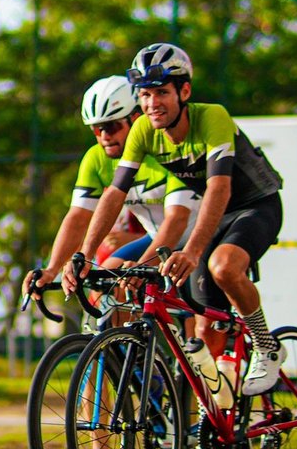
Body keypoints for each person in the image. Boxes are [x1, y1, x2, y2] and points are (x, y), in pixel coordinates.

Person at [61, 43, 285, 449]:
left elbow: (219, 189)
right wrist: (83, 256)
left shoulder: (212, 116)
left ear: (183, 91)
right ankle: (210, 433)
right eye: (143, 95)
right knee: (203, 329)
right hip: (213, 218)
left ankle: (267, 345)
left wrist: (193, 251)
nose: (151, 104)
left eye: (160, 92)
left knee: (222, 268)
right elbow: (114, 194)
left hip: (254, 206)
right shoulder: (145, 130)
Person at [24, 75, 199, 300]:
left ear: (136, 119)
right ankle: (121, 337)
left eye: (112, 126)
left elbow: (177, 220)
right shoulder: (96, 159)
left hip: (195, 238)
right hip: (155, 239)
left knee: (200, 326)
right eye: (97, 129)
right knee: (105, 288)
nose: (105, 137)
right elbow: (78, 217)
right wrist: (52, 269)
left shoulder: (166, 148)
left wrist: (142, 263)